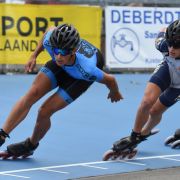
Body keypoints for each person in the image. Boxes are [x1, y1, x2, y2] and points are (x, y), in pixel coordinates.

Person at [0, 24, 123, 158]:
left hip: (79, 76)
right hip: (65, 66)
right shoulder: (51, 43)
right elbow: (49, 29)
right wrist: (34, 55)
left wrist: (114, 92)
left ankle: (30, 145)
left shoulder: (87, 69)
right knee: (32, 94)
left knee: (44, 111)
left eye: (63, 52)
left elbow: (110, 80)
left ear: (74, 50)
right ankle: (1, 135)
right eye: (56, 50)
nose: (58, 56)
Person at [103, 20, 180, 160]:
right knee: (146, 102)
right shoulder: (162, 44)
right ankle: (134, 136)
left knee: (155, 111)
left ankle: (144, 133)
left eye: (177, 45)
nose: (171, 49)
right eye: (170, 43)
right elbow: (163, 29)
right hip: (167, 71)